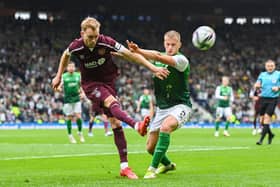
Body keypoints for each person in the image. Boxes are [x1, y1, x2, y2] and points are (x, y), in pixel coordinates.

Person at [52, 17, 169, 179]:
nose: (93, 40)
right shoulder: (76, 46)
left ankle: (124, 167)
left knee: (115, 123)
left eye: (95, 36)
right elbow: (65, 56)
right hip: (91, 85)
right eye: (89, 37)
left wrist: (153, 68)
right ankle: (136, 125)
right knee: (110, 102)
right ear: (82, 34)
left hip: (108, 82)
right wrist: (58, 76)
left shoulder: (106, 42)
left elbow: (130, 55)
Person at [126, 30, 192, 179]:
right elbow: (147, 57)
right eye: (167, 44)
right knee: (150, 148)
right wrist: (119, 52)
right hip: (162, 108)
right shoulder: (158, 59)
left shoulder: (182, 61)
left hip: (181, 105)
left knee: (166, 127)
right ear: (164, 43)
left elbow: (156, 55)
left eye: (173, 45)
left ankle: (152, 169)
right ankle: (168, 165)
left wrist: (139, 50)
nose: (170, 48)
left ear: (179, 45)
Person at [57, 62, 85, 144]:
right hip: (68, 99)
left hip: (77, 98)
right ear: (67, 68)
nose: (71, 68)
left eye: (73, 66)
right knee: (69, 117)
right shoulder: (64, 76)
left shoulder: (78, 75)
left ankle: (80, 132)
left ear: (75, 67)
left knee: (78, 116)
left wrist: (83, 93)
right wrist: (58, 88)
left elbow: (81, 85)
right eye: (69, 66)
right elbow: (60, 85)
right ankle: (70, 135)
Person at [255, 60, 280, 145]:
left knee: (266, 118)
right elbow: (257, 84)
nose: (270, 67)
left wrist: (278, 88)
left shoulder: (278, 74)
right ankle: (270, 134)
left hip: (273, 99)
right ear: (266, 67)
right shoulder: (262, 74)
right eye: (268, 66)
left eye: (271, 66)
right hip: (263, 99)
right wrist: (257, 86)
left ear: (274, 66)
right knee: (262, 121)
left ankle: (261, 140)